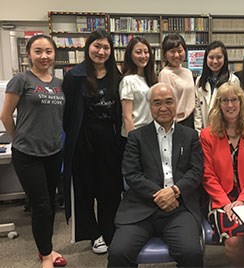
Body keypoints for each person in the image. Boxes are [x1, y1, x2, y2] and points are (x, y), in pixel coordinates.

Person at [108, 83, 204, 267]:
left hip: (180, 208)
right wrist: (161, 195)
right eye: (157, 103)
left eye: (169, 102)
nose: (163, 108)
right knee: (118, 253)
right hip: (140, 208)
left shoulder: (190, 136)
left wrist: (174, 191)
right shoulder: (136, 137)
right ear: (150, 106)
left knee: (191, 253)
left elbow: (196, 171)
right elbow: (131, 174)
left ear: (176, 104)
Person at [0, 34, 66, 268]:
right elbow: (5, 115)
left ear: (54, 54)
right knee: (41, 205)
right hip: (28, 155)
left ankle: (45, 248)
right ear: (29, 54)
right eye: (38, 51)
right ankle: (46, 255)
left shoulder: (58, 83)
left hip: (52, 152)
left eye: (48, 51)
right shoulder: (21, 80)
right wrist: (18, 139)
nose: (44, 56)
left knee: (49, 202)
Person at [62, 29, 123, 254]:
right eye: (97, 46)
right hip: (83, 142)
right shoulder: (74, 76)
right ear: (88, 47)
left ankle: (110, 231)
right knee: (85, 189)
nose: (101, 51)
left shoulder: (116, 75)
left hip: (109, 141)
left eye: (106, 47)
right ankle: (94, 234)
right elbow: (67, 115)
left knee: (110, 189)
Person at [200, 82, 244, 267]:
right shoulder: (208, 136)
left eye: (234, 100)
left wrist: (243, 201)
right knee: (234, 240)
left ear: (241, 103)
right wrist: (226, 204)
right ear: (218, 105)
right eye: (225, 100)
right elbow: (208, 176)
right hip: (222, 199)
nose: (230, 105)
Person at [194, 40, 239, 132]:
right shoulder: (199, 80)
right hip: (205, 132)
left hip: (226, 131)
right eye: (211, 57)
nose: (215, 61)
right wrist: (199, 132)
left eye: (219, 57)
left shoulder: (233, 80)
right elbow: (197, 110)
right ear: (206, 59)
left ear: (225, 59)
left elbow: (235, 109)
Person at [119, 36, 157, 139]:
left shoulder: (151, 79)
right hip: (136, 134)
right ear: (130, 55)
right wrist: (133, 141)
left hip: (151, 133)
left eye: (146, 52)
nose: (143, 56)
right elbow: (127, 117)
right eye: (138, 52)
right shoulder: (128, 80)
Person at [158, 33, 195, 128]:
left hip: (192, 119)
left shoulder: (188, 72)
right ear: (165, 54)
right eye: (172, 51)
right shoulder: (165, 73)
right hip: (176, 122)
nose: (177, 55)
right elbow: (166, 103)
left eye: (180, 51)